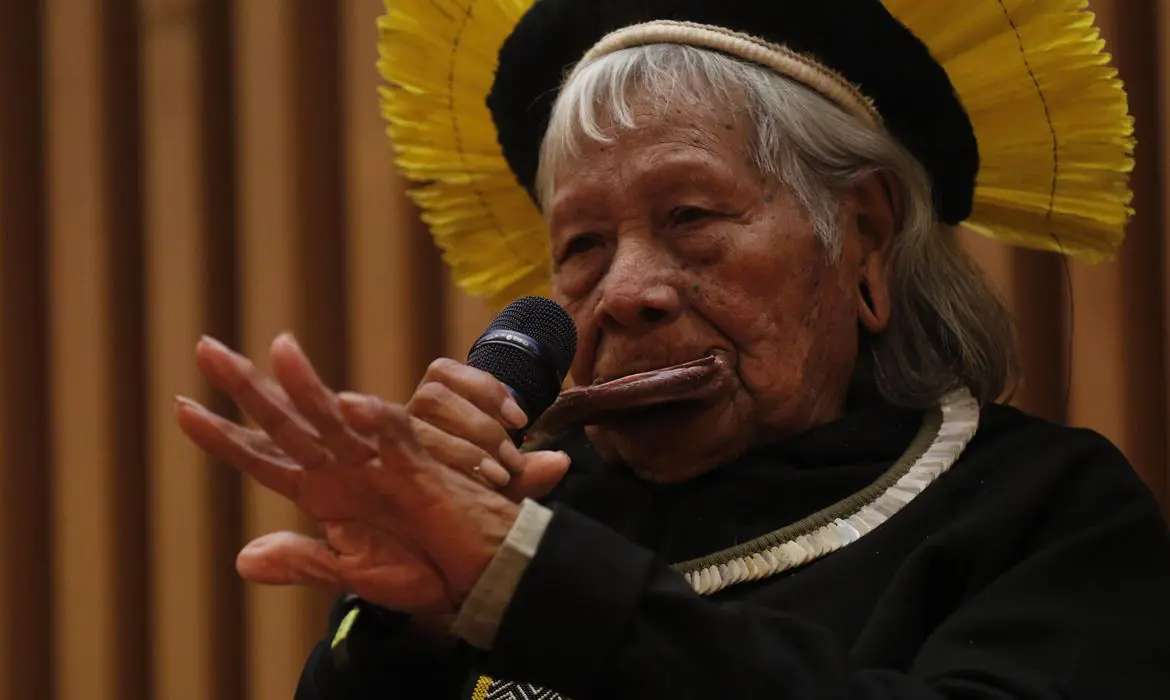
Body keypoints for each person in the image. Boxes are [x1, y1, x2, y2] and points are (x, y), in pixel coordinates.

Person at [176, 0, 1170, 697]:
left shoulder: (1045, 513)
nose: (624, 293)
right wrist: (407, 633)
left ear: (863, 239)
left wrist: (537, 587)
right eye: (583, 246)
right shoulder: (518, 524)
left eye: (691, 216)